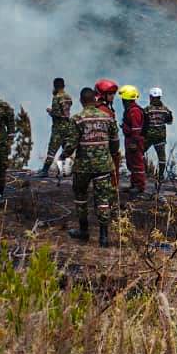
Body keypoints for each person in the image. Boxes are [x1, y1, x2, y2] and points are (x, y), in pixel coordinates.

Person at [68, 87, 120, 246]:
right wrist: (108, 154)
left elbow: (71, 144)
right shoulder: (107, 118)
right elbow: (115, 143)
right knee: (103, 200)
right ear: (95, 99)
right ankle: (104, 237)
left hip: (83, 166)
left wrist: (64, 154)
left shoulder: (77, 119)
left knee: (81, 197)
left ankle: (84, 231)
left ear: (81, 101)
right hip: (103, 166)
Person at [39, 77, 76, 177]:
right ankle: (67, 170)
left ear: (55, 86)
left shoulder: (57, 97)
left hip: (59, 127)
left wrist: (49, 111)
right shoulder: (68, 97)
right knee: (66, 149)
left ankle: (44, 171)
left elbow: (57, 113)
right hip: (68, 125)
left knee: (52, 149)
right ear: (63, 85)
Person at [118, 84, 147, 193]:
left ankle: (139, 186)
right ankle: (134, 184)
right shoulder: (131, 109)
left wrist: (134, 142)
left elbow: (136, 128)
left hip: (134, 140)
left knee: (137, 163)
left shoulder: (134, 111)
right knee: (131, 163)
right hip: (131, 139)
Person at [143, 88, 174, 175]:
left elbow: (142, 122)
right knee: (161, 157)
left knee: (140, 152)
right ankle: (160, 176)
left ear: (151, 97)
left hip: (148, 136)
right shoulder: (165, 109)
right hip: (160, 136)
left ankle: (144, 171)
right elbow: (170, 122)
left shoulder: (147, 109)